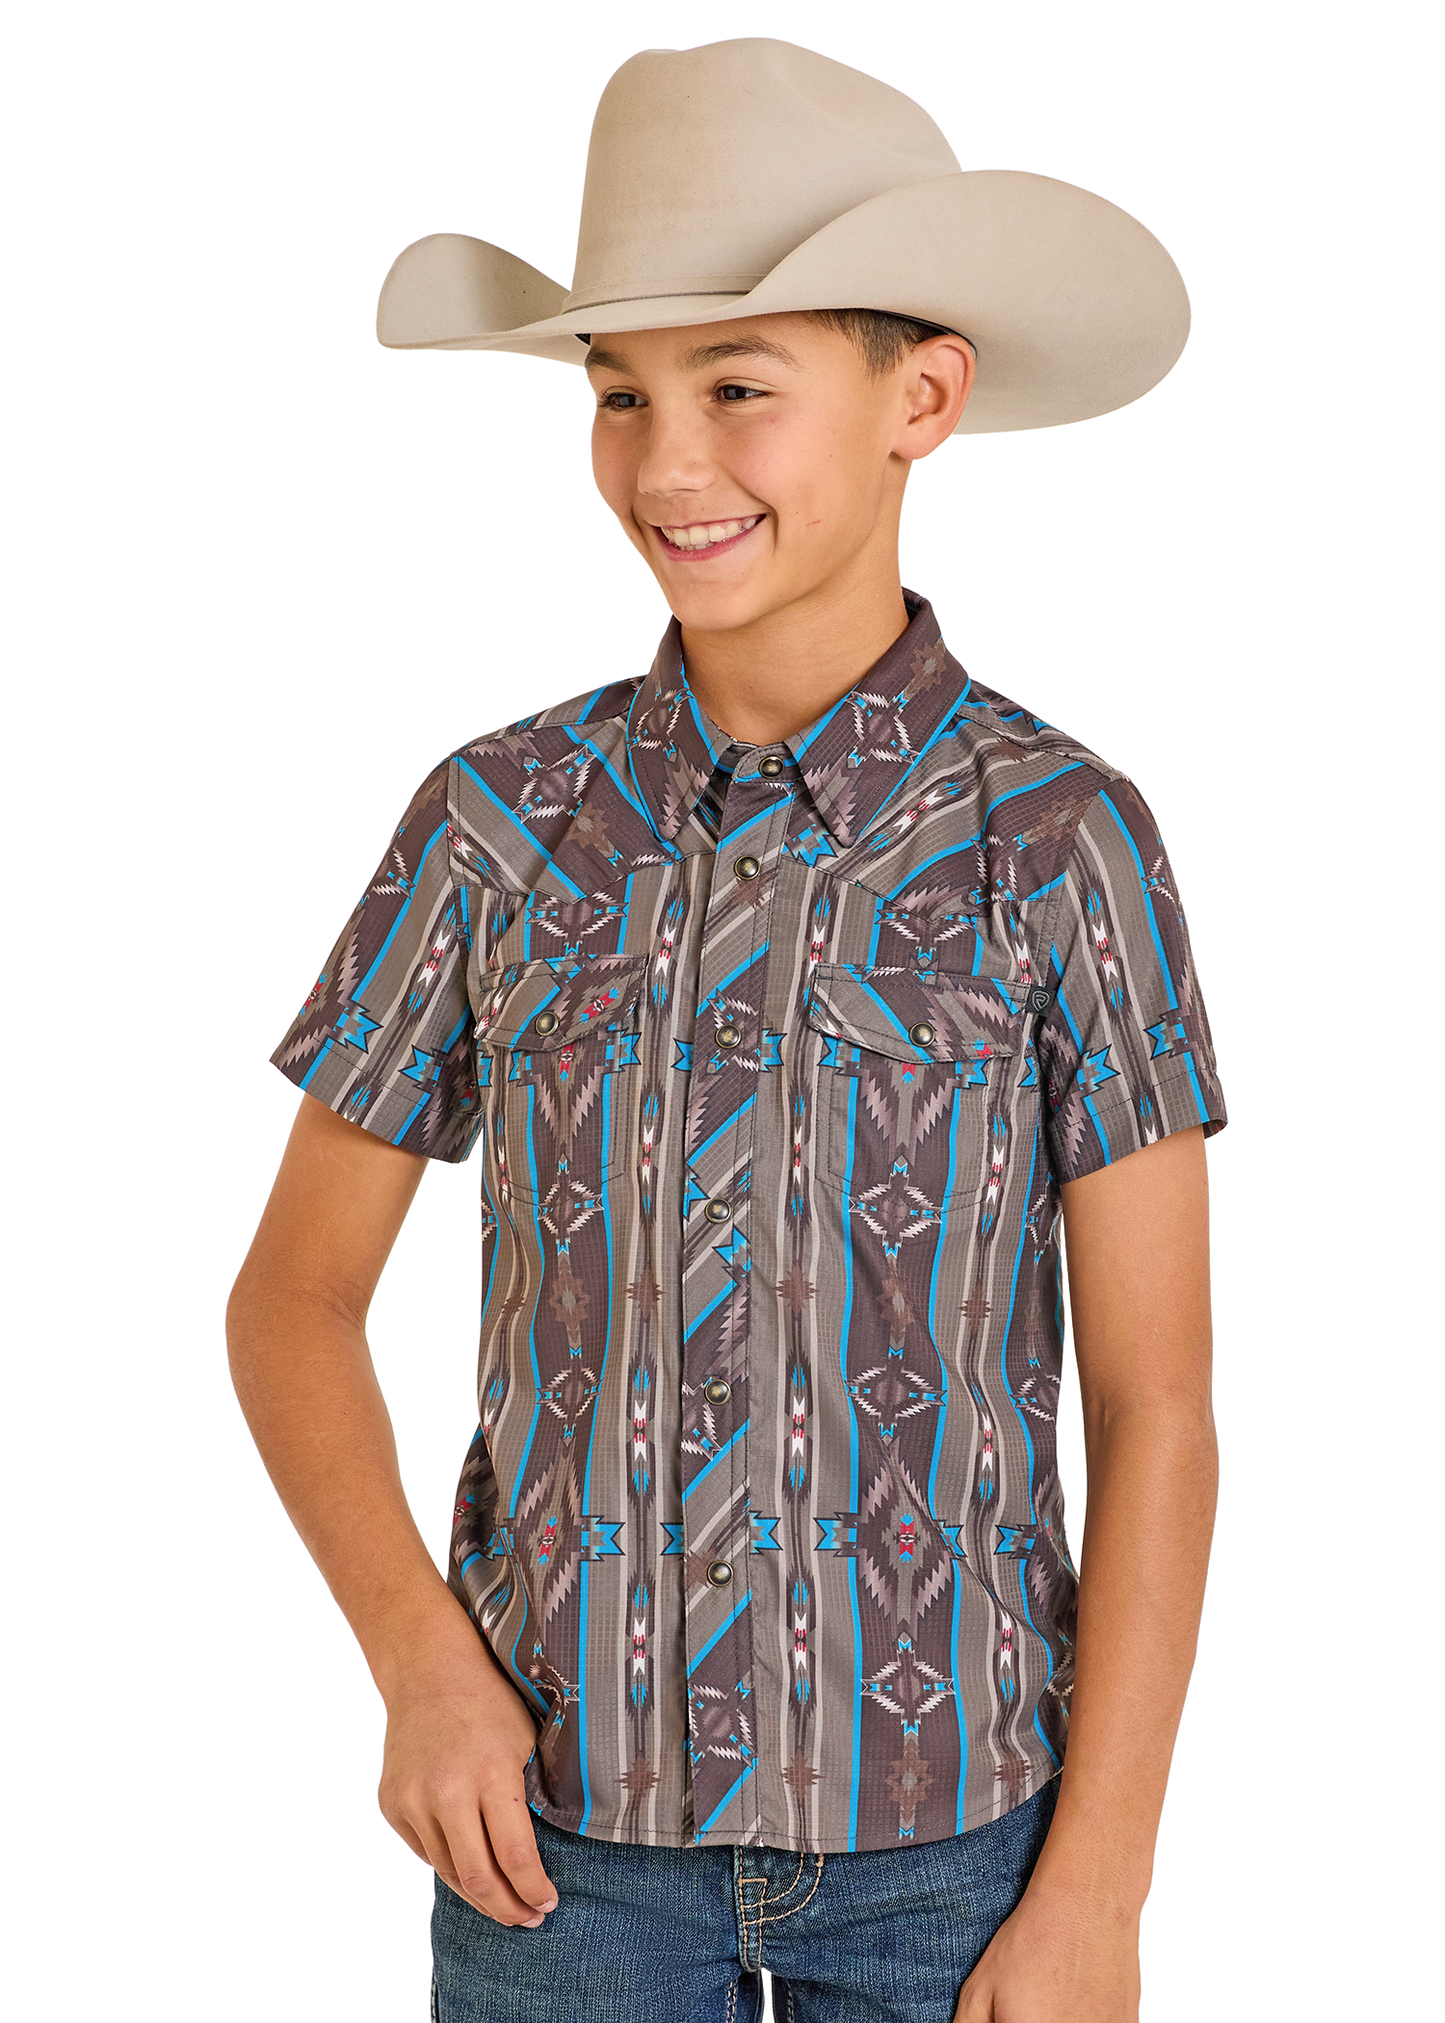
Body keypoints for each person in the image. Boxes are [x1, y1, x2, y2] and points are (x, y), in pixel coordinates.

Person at [224, 35, 1228, 2023]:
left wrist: (1099, 1876)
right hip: (554, 1866)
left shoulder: (1063, 839)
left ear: (917, 398)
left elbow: (1153, 1411)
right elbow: (288, 1304)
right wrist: (422, 1668)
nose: (668, 464)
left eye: (738, 388)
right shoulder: (498, 823)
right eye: (619, 398)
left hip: (956, 1856)